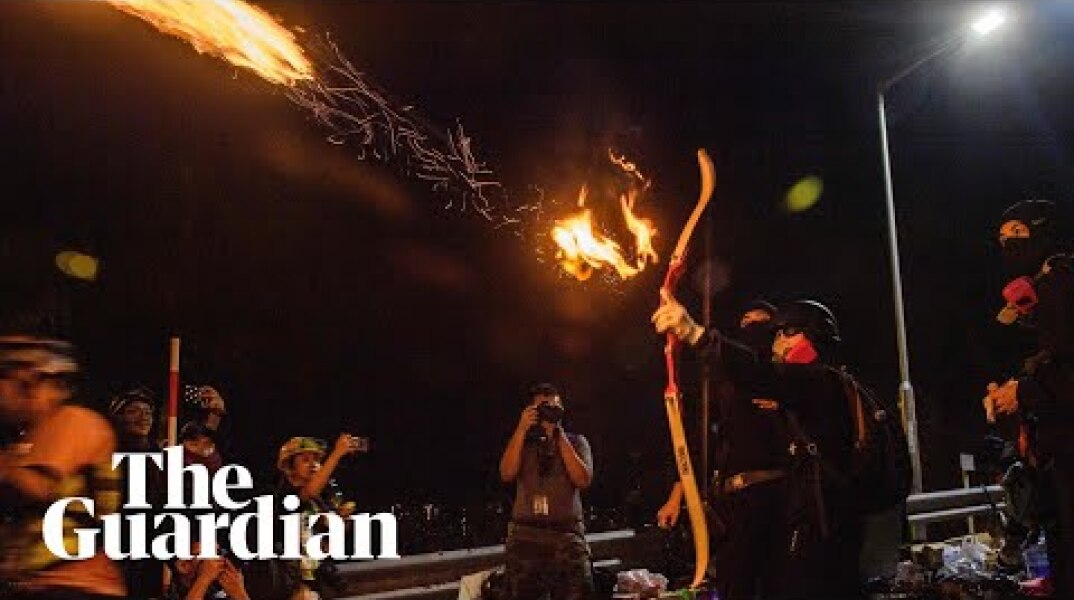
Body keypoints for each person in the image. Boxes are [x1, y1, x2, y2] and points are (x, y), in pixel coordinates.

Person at [654, 294, 864, 599]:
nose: (777, 342)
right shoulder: (815, 388)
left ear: (810, 335)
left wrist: (694, 333)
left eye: (784, 333)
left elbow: (757, 373)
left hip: (821, 531)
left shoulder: (817, 381)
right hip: (817, 526)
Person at [655, 299, 792, 598]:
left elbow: (748, 364)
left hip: (778, 497)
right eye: (745, 322)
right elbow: (698, 438)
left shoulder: (780, 376)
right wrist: (679, 495)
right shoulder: (725, 386)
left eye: (761, 323)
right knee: (734, 583)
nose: (751, 328)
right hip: (733, 503)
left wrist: (696, 334)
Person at [985, 198, 1074, 597]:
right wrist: (1015, 393)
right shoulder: (1048, 287)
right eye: (1002, 238)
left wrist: (1020, 392)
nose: (1008, 244)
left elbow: (1067, 369)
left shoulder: (1060, 283)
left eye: (1018, 233)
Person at [0, 335, 126, 599]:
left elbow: (39, 487)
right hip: (46, 585)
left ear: (33, 381)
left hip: (74, 586)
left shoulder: (73, 421)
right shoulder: (29, 440)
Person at [498, 383, 595, 600]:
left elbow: (583, 479)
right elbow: (506, 473)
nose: (549, 412)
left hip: (566, 534)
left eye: (555, 407)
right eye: (543, 408)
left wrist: (558, 436)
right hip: (526, 535)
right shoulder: (522, 443)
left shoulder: (576, 442)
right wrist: (522, 429)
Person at [274, 434, 366, 600]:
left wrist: (340, 522)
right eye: (305, 460)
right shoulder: (287, 493)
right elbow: (307, 493)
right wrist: (336, 454)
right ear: (290, 466)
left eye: (316, 460)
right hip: (290, 577)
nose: (313, 465)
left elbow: (327, 544)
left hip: (315, 575)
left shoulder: (319, 500)